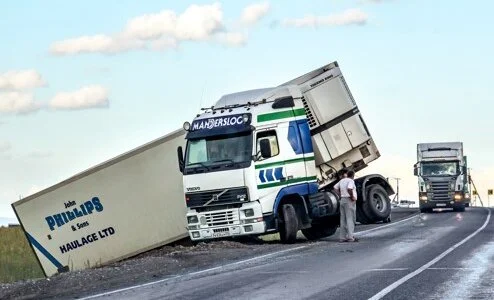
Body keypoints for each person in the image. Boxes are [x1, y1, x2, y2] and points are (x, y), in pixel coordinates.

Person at [334, 169, 358, 242]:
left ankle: (342, 237)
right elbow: (349, 188)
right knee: (350, 218)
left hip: (342, 200)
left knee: (343, 219)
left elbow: (335, 187)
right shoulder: (351, 181)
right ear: (353, 176)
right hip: (349, 200)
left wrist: (340, 195)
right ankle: (350, 237)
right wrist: (352, 197)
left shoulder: (342, 180)